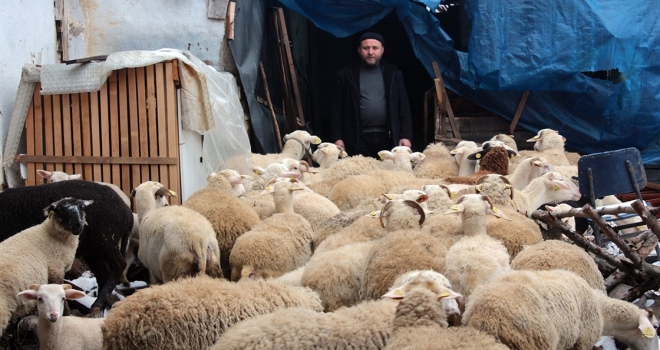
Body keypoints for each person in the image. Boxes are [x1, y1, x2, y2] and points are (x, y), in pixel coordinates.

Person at [329, 31, 413, 158]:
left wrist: (406, 136)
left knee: (388, 175)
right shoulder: (346, 75)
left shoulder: (394, 74)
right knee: (359, 175)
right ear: (359, 50)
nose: (370, 52)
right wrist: (337, 137)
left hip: (388, 137)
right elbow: (336, 109)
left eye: (375, 48)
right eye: (366, 48)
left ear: (382, 50)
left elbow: (403, 107)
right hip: (357, 138)